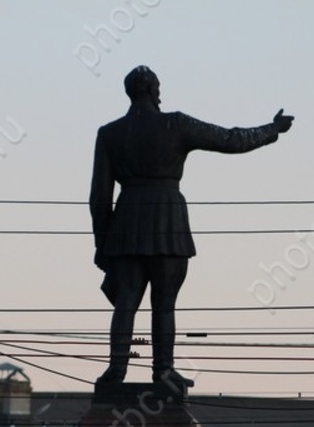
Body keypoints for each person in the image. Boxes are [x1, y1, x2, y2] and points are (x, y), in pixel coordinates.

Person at [90, 65, 293, 388]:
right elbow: (230, 139)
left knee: (127, 300)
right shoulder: (175, 124)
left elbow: (99, 198)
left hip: (126, 224)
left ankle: (116, 372)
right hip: (167, 219)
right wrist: (272, 129)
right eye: (158, 87)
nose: (160, 93)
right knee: (165, 303)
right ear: (152, 91)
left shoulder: (110, 133)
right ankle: (164, 371)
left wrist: (102, 244)